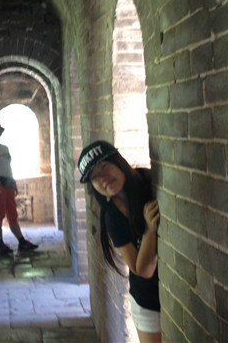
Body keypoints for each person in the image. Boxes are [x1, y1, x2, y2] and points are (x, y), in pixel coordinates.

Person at [78, 140, 161, 343]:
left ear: (118, 161)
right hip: (147, 300)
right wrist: (150, 231)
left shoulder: (150, 182)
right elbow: (142, 269)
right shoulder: (112, 215)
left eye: (104, 167)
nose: (103, 178)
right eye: (95, 177)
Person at [0, 118, 38, 256]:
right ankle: (0, 244)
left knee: (12, 214)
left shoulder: (5, 148)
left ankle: (22, 242)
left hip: (8, 183)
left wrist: (13, 182)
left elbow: (8, 166)